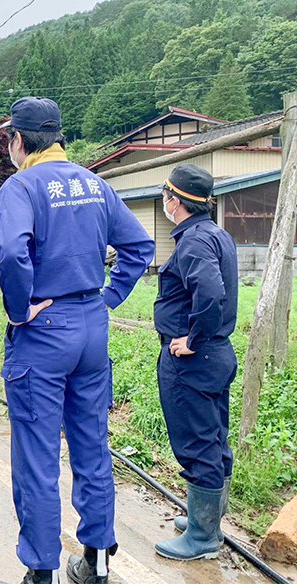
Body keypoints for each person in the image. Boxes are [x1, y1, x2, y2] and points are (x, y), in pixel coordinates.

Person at [0, 97, 155, 584]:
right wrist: (107, 298)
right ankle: (96, 563)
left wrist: (20, 310)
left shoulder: (19, 187)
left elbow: (12, 254)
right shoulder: (96, 183)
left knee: (38, 455)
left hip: (42, 331)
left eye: (9, 140)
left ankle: (40, 573)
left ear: (19, 141)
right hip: (90, 327)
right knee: (91, 446)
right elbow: (140, 245)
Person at [153, 164, 238, 561]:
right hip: (217, 356)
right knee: (214, 437)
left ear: (176, 200)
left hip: (194, 360)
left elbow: (210, 291)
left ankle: (204, 537)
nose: (165, 202)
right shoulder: (216, 234)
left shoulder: (192, 243)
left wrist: (192, 337)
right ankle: (208, 518)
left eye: (166, 196)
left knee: (196, 443)